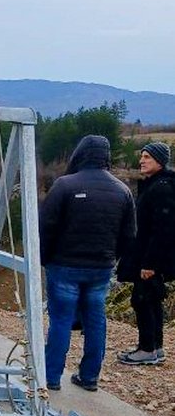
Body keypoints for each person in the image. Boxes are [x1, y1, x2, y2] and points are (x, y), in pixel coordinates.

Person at [40, 135, 136, 391]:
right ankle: (89, 376)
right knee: (96, 321)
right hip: (101, 267)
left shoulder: (64, 185)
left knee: (61, 320)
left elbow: (46, 226)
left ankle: (50, 377)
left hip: (64, 265)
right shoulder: (122, 190)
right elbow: (129, 235)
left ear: (80, 154)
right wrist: (111, 259)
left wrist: (45, 258)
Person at [116, 142, 175, 365]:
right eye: (142, 156)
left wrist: (150, 263)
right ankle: (155, 348)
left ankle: (147, 349)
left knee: (142, 300)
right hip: (150, 256)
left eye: (148, 157)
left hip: (151, 258)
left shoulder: (161, 188)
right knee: (152, 299)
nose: (141, 160)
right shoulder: (156, 185)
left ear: (160, 161)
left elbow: (163, 230)